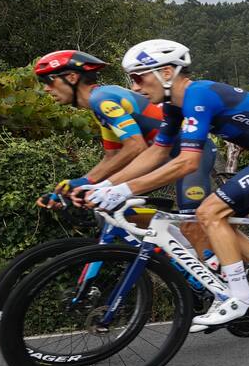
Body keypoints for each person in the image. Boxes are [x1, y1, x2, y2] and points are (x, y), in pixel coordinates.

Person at [80, 40, 249, 326]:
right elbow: (157, 152)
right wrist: (105, 186)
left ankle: (241, 298)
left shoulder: (199, 95)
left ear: (166, 72)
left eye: (138, 77)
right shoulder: (174, 107)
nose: (134, 88)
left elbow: (188, 162)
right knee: (213, 215)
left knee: (209, 212)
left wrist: (123, 189)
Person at [33, 49, 215, 249]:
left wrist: (88, 184)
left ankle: (216, 259)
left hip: (192, 154)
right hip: (163, 156)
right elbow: (112, 156)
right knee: (113, 207)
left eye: (49, 81)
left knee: (192, 223)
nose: (47, 89)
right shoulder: (99, 105)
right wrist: (80, 185)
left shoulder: (101, 99)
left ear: (72, 77)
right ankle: (181, 248)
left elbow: (136, 146)